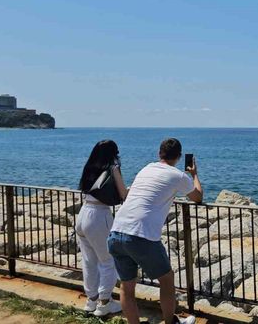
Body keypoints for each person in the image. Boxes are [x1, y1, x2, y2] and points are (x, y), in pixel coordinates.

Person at [108, 138, 203, 324]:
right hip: (141, 235)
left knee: (127, 287)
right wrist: (194, 175)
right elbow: (197, 197)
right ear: (179, 156)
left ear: (160, 154)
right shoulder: (178, 175)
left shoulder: (146, 169)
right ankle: (170, 322)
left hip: (116, 231)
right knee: (167, 279)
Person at [78, 140, 127, 317]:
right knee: (109, 260)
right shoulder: (113, 167)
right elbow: (123, 194)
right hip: (99, 215)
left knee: (89, 261)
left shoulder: (90, 166)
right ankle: (104, 303)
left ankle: (91, 301)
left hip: (83, 213)